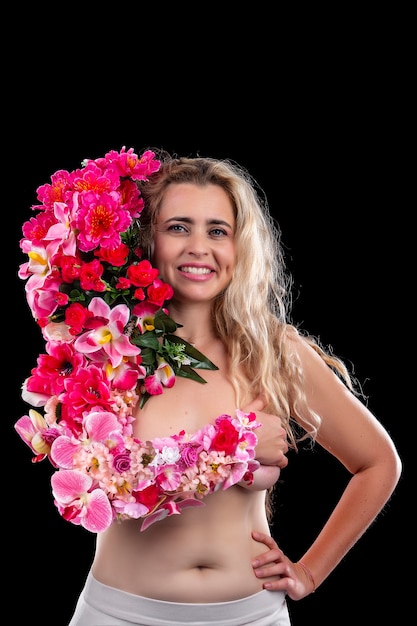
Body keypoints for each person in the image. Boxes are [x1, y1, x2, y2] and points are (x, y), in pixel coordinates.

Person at [15, 148, 402, 626]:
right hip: (118, 614)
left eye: (217, 231)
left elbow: (378, 463)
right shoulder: (107, 351)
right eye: (178, 227)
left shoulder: (274, 352)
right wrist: (237, 440)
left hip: (252, 616)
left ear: (240, 247)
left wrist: (311, 573)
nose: (199, 246)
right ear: (148, 240)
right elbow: (103, 486)